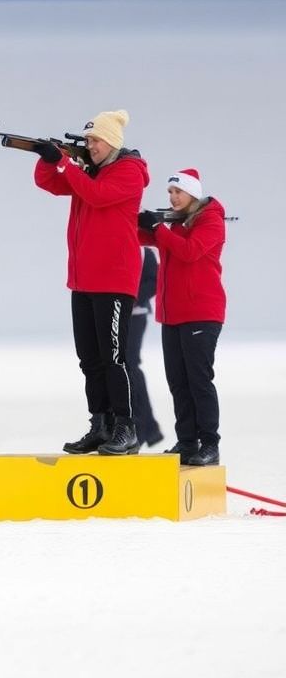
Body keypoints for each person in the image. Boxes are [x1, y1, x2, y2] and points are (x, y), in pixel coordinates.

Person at [33, 109, 149, 455]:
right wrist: (48, 160)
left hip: (113, 279)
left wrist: (65, 163)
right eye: (87, 140)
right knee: (89, 358)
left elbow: (98, 196)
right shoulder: (90, 171)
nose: (90, 145)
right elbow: (50, 184)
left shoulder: (129, 171)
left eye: (95, 140)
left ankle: (126, 427)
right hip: (83, 280)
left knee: (114, 357)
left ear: (112, 141)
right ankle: (101, 425)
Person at [138, 168, 226, 466]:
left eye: (178, 192)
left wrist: (158, 228)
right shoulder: (174, 225)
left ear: (192, 193)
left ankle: (210, 444)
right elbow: (142, 237)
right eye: (170, 192)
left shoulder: (210, 221)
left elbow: (190, 251)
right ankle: (187, 442)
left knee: (199, 380)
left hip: (201, 313)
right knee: (178, 381)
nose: (173, 197)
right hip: (172, 315)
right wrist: (135, 221)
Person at [127, 247, 162, 447]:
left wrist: (132, 297)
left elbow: (154, 281)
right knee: (122, 368)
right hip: (114, 316)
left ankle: (144, 428)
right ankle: (147, 428)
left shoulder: (144, 252)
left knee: (130, 366)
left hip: (135, 315)